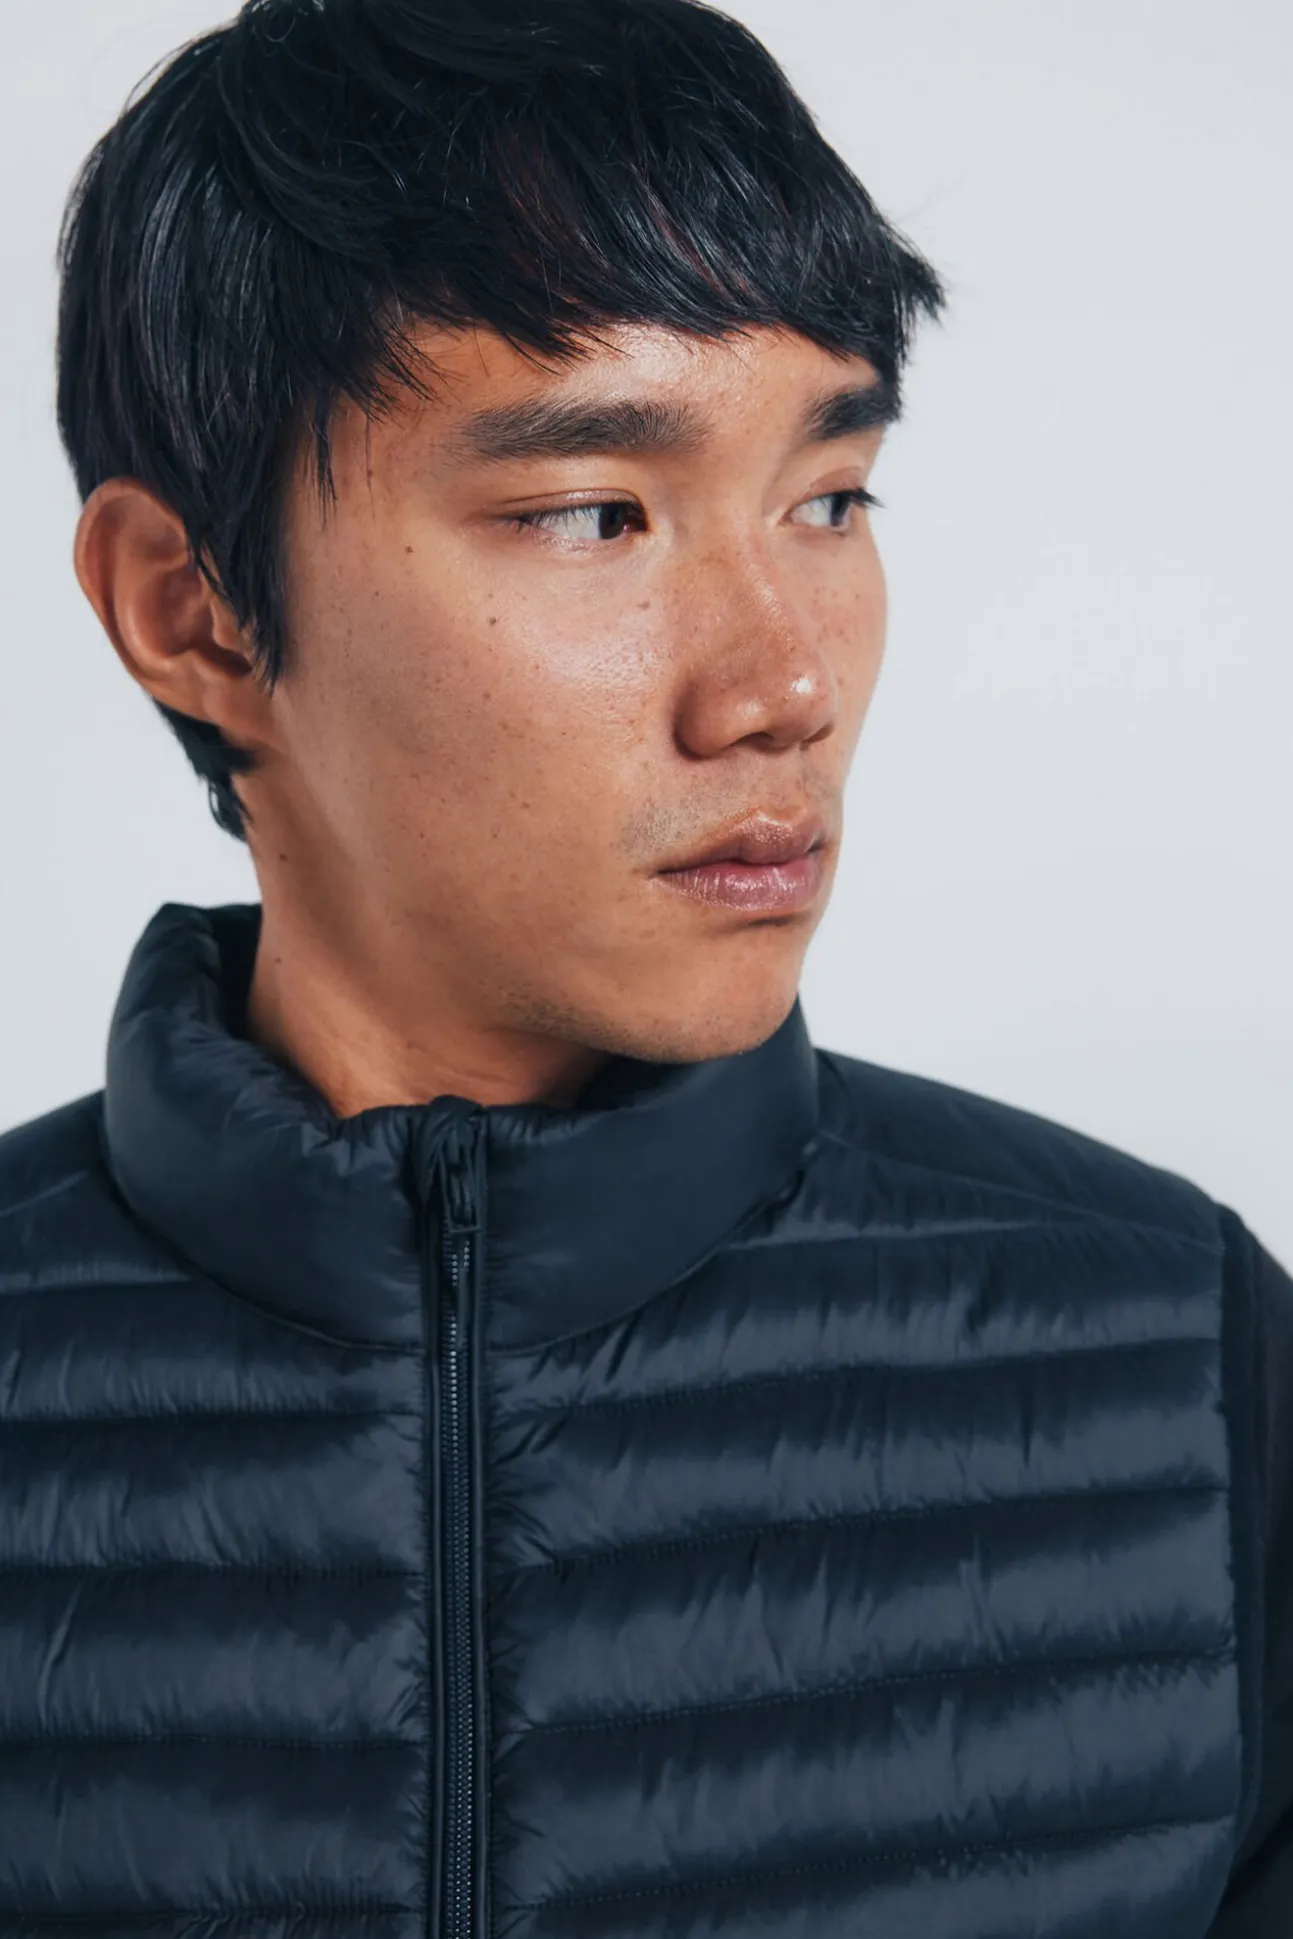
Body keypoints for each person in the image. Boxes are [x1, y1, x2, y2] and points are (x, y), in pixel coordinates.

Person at [1, 0, 1287, 1931]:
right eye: (596, 514)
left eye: (828, 496)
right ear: (191, 612)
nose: (784, 683)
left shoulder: (1180, 1362)